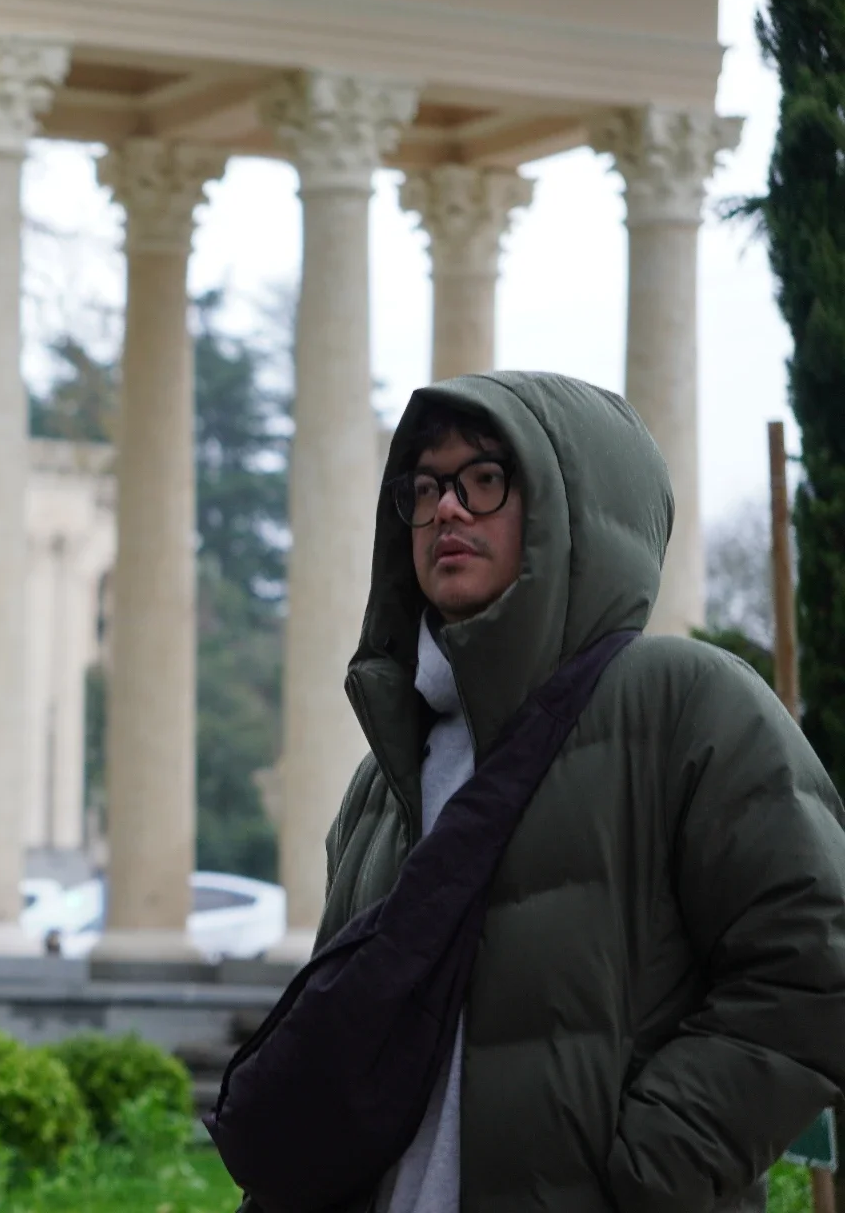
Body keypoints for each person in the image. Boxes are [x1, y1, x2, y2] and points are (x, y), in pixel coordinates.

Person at [296, 371, 845, 1213]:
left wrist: (646, 1171)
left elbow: (819, 965)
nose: (447, 508)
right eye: (428, 486)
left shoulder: (685, 706)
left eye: (484, 480)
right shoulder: (386, 774)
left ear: (573, 511)